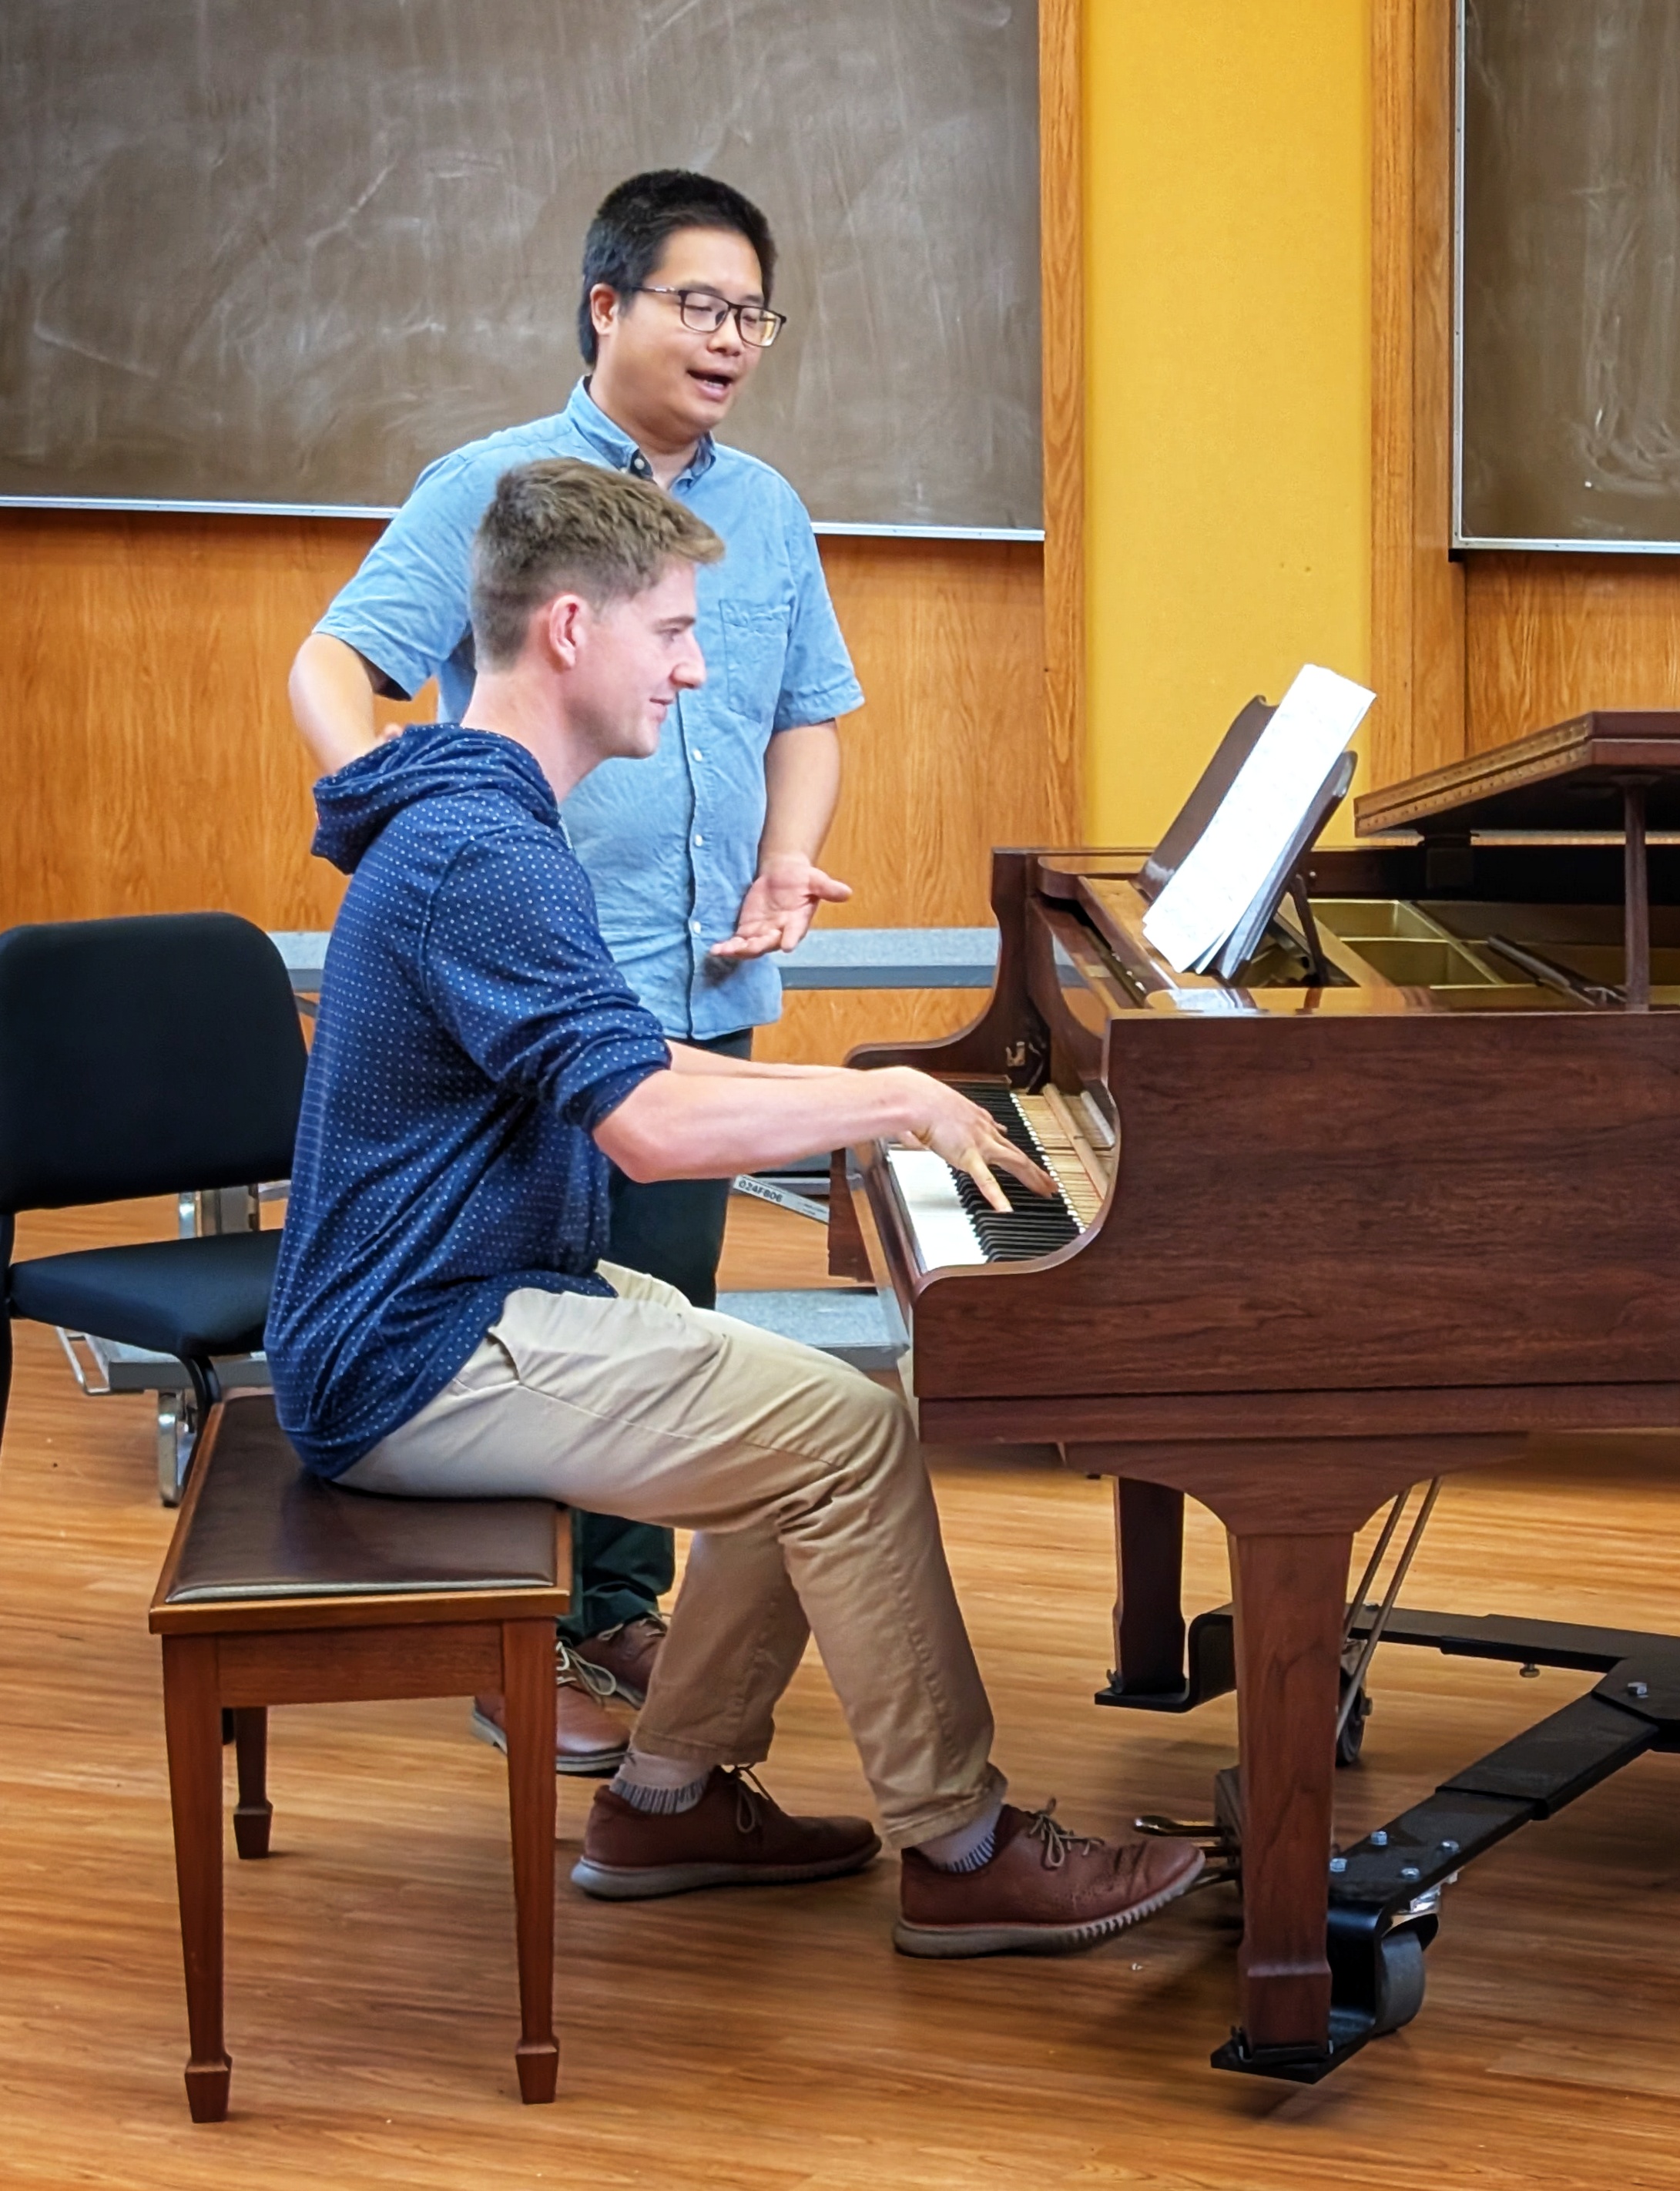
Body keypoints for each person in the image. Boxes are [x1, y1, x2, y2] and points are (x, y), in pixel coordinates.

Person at [266, 458, 1203, 1952]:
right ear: (570, 630)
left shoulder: (478, 814)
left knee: (811, 1408)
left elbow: (624, 1061)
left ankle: (662, 1796)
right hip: (414, 1355)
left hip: (466, 1300)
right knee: (845, 1436)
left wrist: (866, 1099)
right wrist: (892, 1101)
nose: (699, 670)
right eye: (674, 633)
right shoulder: (483, 851)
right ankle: (964, 1856)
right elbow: (643, 1127)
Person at [288, 170, 854, 1770]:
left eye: (753, 311)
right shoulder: (490, 484)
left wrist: (780, 858)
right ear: (606, 305)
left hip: (693, 988)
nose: (731, 338)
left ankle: (616, 1615)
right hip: (517, 1001)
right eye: (699, 304)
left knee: (655, 1319)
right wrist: (417, 819)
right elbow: (333, 663)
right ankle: (517, 1636)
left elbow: (802, 708)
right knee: (506, 1315)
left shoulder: (774, 511)